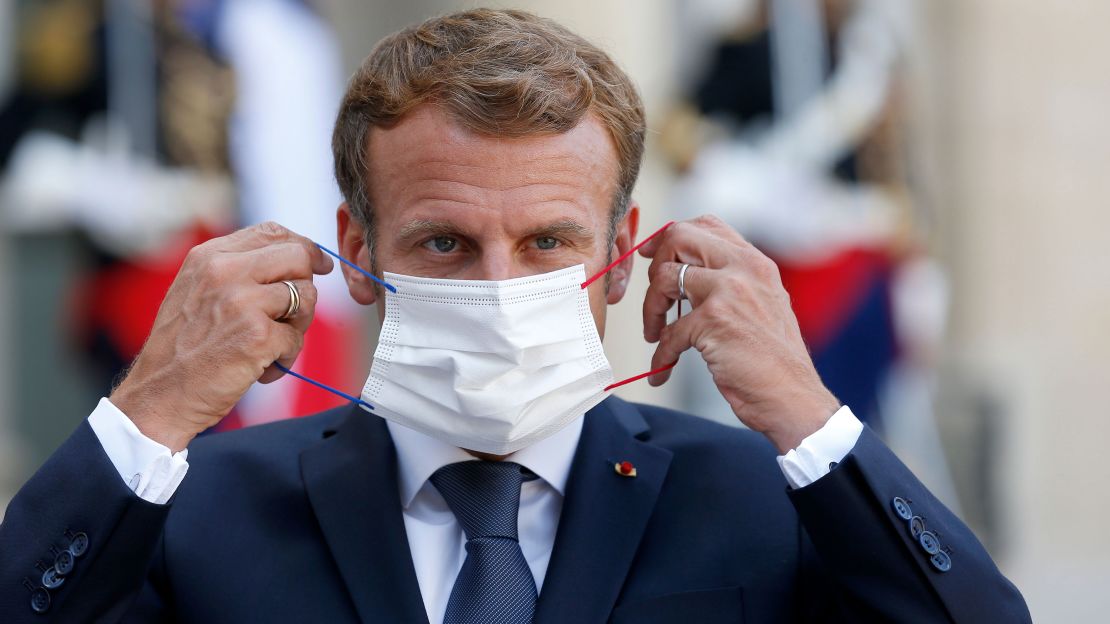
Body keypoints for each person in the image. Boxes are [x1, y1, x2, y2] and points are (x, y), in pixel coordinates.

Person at [0, 9, 1029, 623]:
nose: (498, 285)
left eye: (547, 243)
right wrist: (148, 412)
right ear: (358, 254)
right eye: (445, 243)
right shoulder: (206, 505)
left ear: (622, 255)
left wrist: (809, 415)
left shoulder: (757, 497)